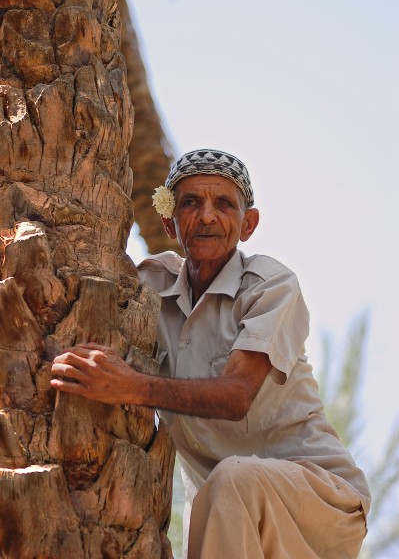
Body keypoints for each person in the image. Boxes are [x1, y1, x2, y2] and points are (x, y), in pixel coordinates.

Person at [51, 149, 371, 559]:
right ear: (170, 222)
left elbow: (236, 395)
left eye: (223, 204)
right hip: (232, 519)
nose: (206, 217)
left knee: (232, 479)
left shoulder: (270, 286)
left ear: (248, 224)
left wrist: (129, 386)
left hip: (326, 502)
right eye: (190, 203)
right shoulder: (151, 287)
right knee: (227, 487)